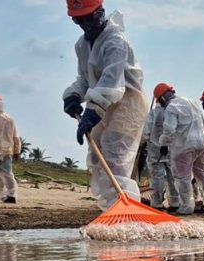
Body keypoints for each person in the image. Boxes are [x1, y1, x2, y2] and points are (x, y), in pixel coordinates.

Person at [63, 0, 148, 210]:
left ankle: (124, 212)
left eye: (89, 18)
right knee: (97, 158)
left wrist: (92, 111)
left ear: (100, 12)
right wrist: (73, 95)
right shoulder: (81, 45)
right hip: (103, 103)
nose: (85, 25)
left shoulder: (115, 42)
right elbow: (85, 79)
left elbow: (112, 81)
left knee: (115, 159)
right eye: (79, 20)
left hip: (127, 104)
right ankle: (112, 209)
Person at [154, 83, 204, 215]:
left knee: (182, 177)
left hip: (184, 146)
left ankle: (186, 207)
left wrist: (164, 144)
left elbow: (169, 129)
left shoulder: (171, 107)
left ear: (163, 97)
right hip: (202, 144)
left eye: (160, 101)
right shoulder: (192, 103)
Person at [141, 103, 179, 212]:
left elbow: (145, 133)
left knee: (157, 177)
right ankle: (175, 202)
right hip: (171, 150)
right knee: (173, 177)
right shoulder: (172, 113)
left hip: (155, 151)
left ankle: (156, 203)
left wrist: (141, 143)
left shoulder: (153, 113)